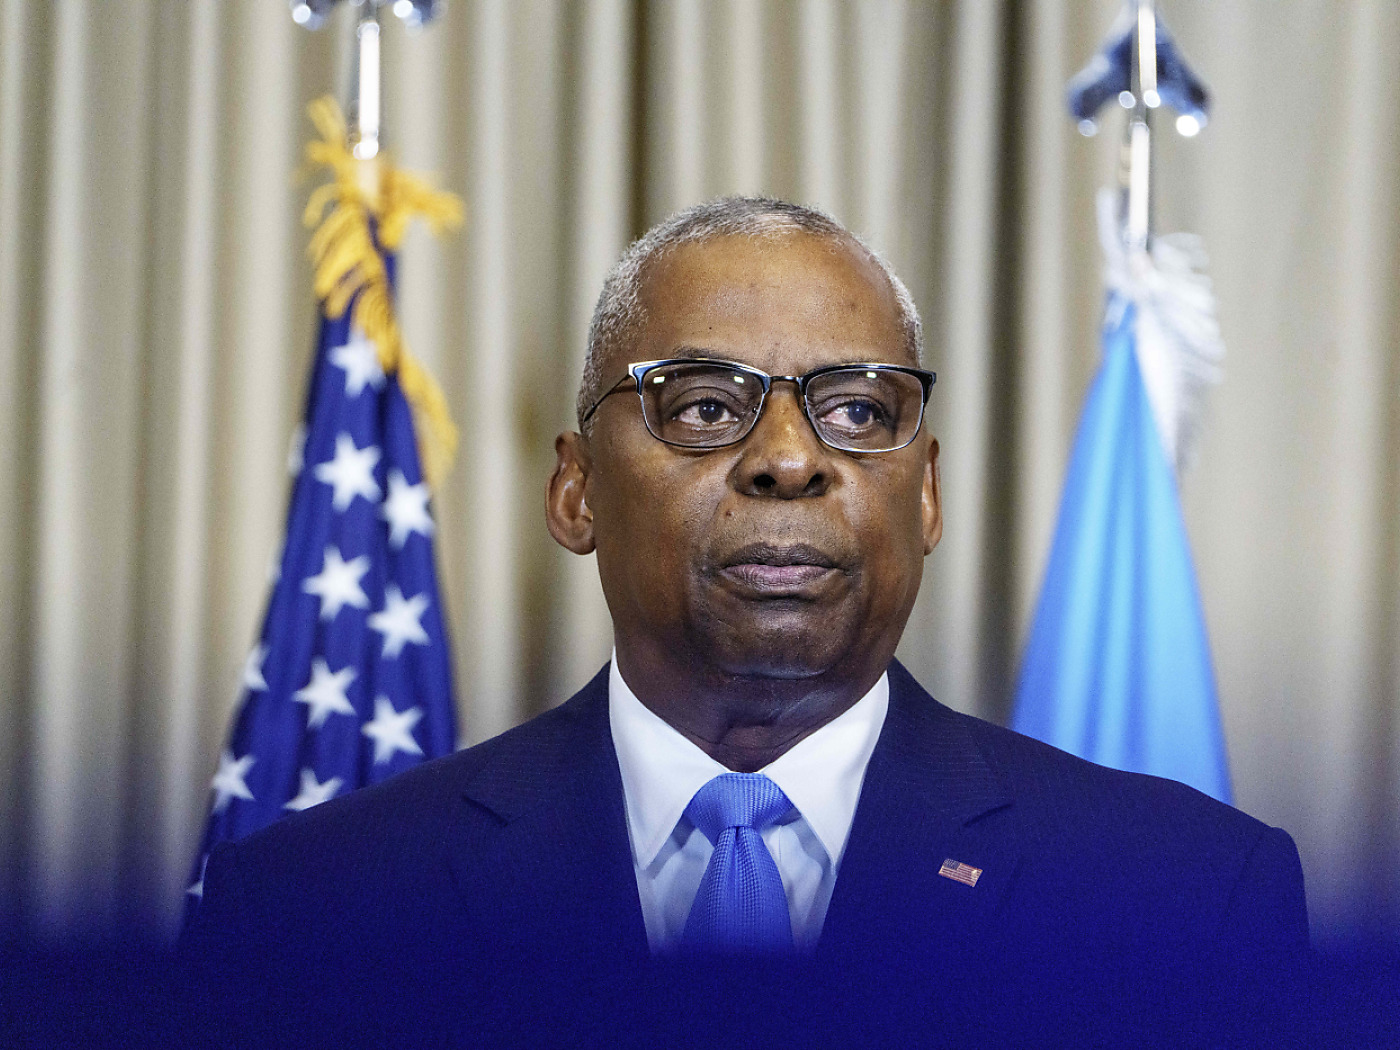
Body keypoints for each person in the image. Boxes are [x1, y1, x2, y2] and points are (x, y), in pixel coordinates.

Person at [182, 197, 1309, 1048]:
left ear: (925, 497)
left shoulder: (1184, 899)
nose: (786, 459)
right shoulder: (313, 912)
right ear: (575, 491)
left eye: (856, 409)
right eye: (705, 406)